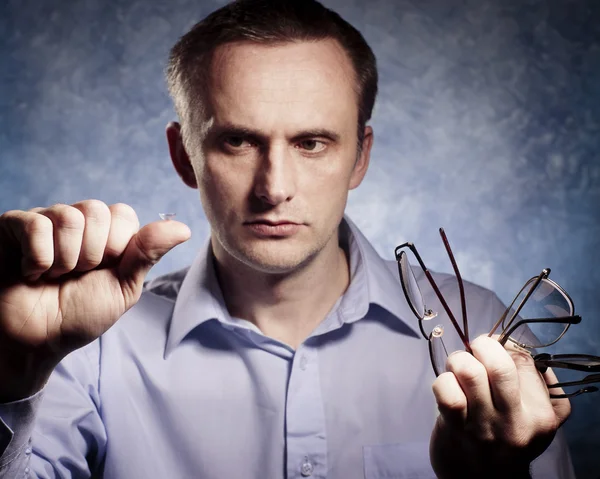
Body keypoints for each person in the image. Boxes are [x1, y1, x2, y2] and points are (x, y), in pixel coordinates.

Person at [0, 1, 575, 477]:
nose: (274, 188)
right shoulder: (88, 345)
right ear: (184, 156)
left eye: (312, 144)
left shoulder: (481, 328)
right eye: (238, 142)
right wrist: (13, 371)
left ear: (360, 157)